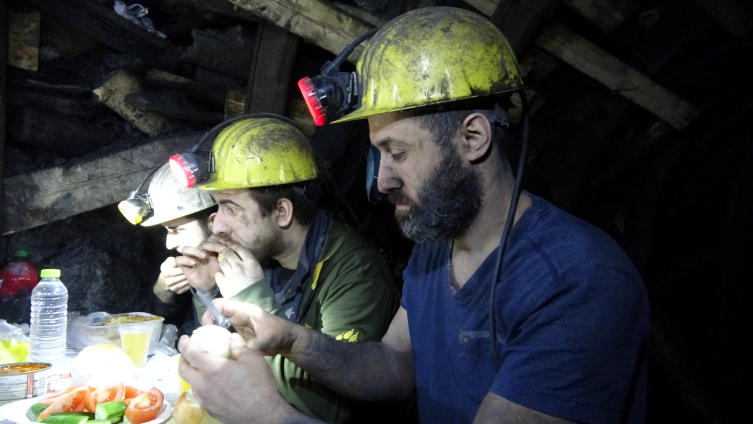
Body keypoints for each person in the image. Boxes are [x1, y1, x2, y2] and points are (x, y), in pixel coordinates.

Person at [178, 8, 649, 424]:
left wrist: (267, 415)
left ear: (472, 139)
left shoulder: (577, 281)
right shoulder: (435, 248)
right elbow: (393, 366)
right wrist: (293, 340)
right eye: (377, 157)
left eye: (397, 152)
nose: (382, 181)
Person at [172, 116, 399, 423]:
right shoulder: (264, 255)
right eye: (217, 207)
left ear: (281, 212)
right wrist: (208, 289)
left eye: (231, 208)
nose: (218, 225)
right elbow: (222, 345)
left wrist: (252, 299)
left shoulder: (357, 274)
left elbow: (326, 408)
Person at [119, 163, 216, 332]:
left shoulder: (254, 272)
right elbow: (167, 330)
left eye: (176, 230)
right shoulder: (196, 264)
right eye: (167, 230)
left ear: (213, 222)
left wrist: (209, 291)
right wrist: (163, 291)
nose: (168, 244)